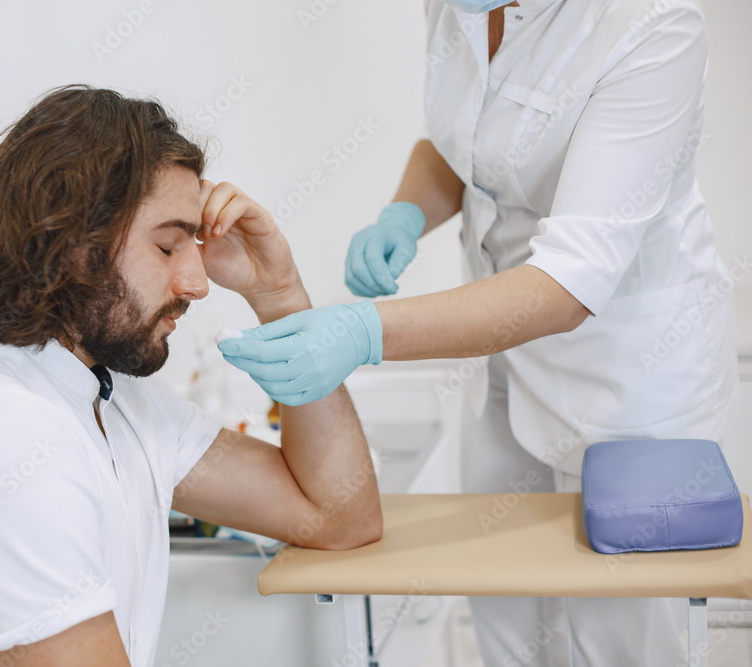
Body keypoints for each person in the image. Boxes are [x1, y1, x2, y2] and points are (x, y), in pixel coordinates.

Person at [217, 0, 740, 665]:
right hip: (500, 353)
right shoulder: (456, 5)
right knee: (502, 601)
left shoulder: (651, 23)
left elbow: (569, 282)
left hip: (629, 378)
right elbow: (461, 143)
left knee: (619, 633)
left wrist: (364, 331)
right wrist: (403, 214)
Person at [0, 85, 382, 667]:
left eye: (195, 246)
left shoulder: (113, 395)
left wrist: (280, 295)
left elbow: (339, 516)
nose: (198, 283)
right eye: (167, 247)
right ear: (70, 243)